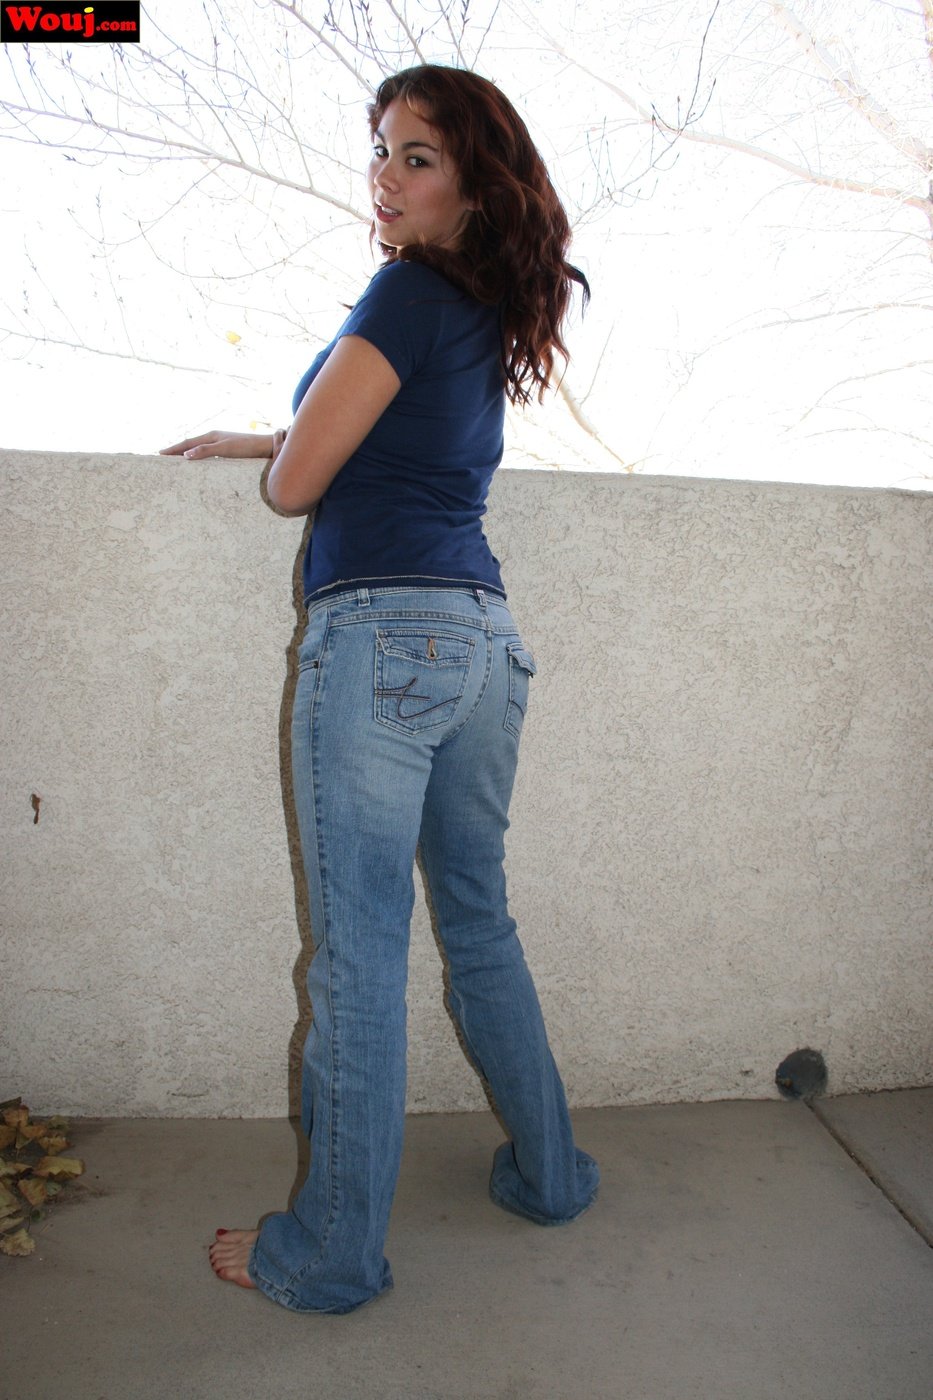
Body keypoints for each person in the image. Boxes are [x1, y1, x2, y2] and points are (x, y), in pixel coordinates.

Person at [161, 63, 598, 1315]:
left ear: (474, 182)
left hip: (382, 638)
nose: (386, 179)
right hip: (485, 643)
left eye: (418, 156)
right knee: (479, 922)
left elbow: (300, 485)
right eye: (381, 152)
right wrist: (273, 427)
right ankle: (553, 1175)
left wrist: (279, 447)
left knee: (358, 955)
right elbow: (381, 443)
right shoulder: (478, 312)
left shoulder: (405, 289)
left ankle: (331, 1253)